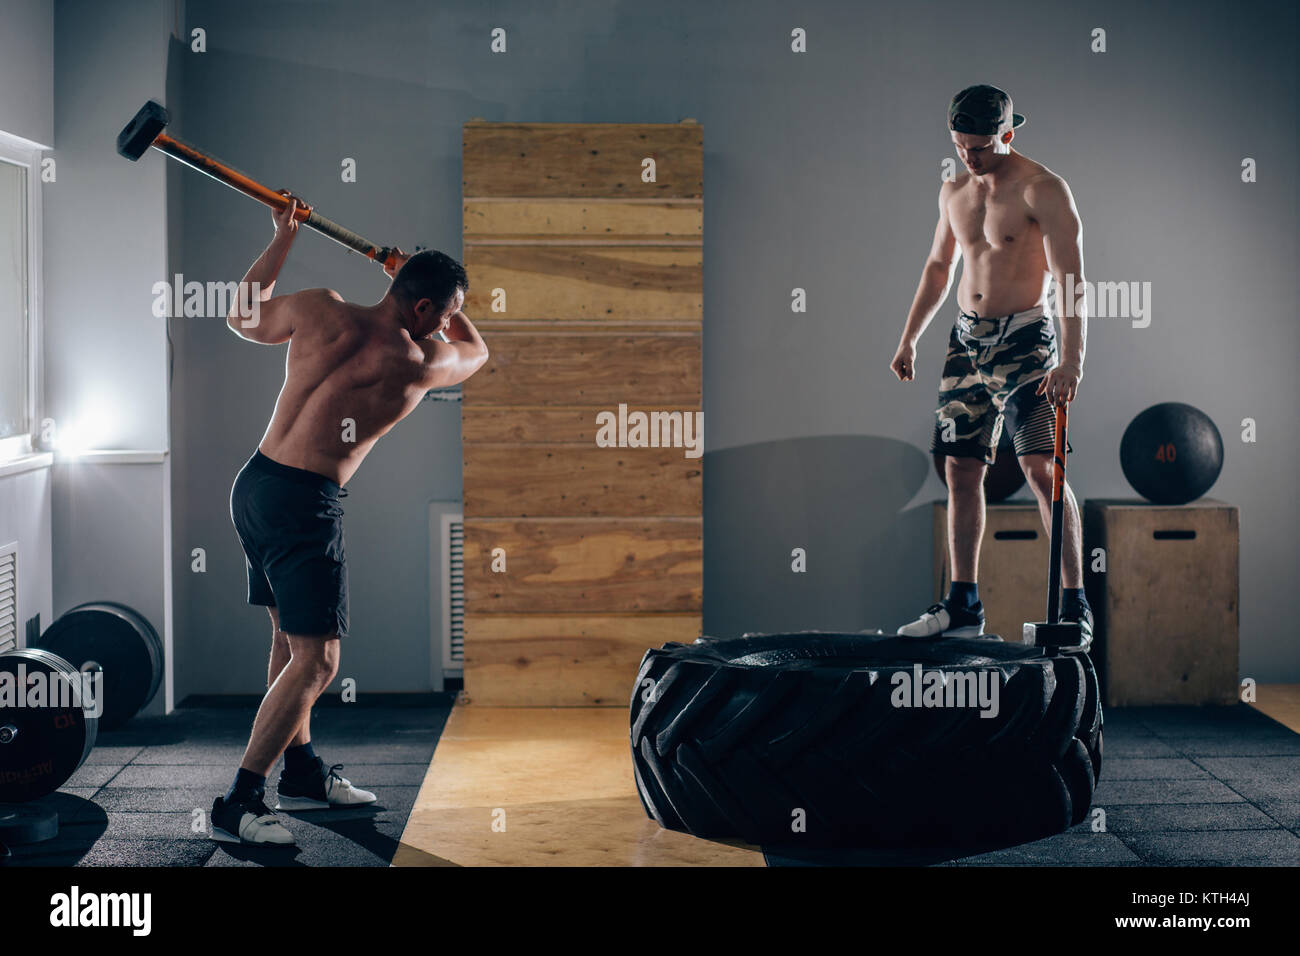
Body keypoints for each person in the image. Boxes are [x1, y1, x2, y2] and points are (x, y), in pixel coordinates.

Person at [213, 195, 488, 845]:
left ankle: (302, 772)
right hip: (304, 504)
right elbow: (475, 352)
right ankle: (239, 801)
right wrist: (435, 297)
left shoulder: (319, 308)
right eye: (443, 312)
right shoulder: (416, 363)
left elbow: (241, 316)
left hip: (255, 486)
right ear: (424, 309)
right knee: (319, 662)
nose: (445, 325)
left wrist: (283, 236)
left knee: (290, 645)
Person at [890, 85, 1092, 646]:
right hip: (966, 344)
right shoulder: (954, 190)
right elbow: (938, 268)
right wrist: (909, 339)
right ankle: (963, 605)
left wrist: (1072, 359)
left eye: (979, 147)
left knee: (1042, 470)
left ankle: (1075, 606)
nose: (969, 157)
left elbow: (1071, 281)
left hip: (1026, 344)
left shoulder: (1042, 190)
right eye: (960, 146)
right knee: (960, 468)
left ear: (1008, 133)